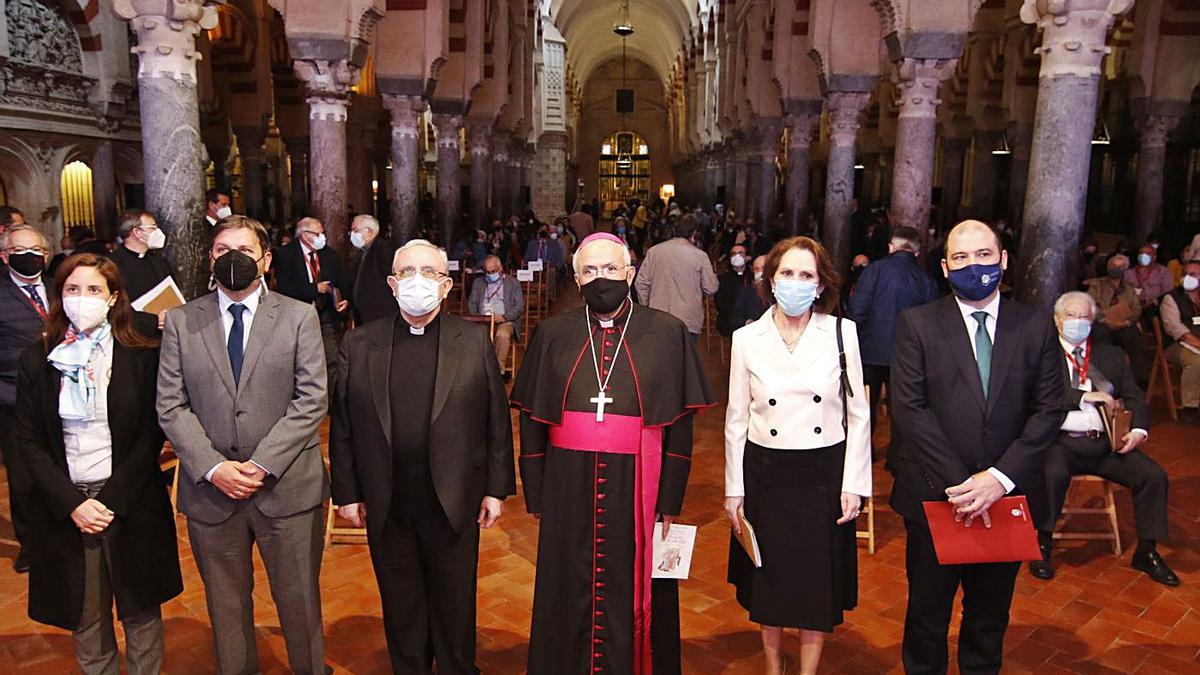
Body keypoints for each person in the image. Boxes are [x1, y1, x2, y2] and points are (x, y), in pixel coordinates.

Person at [512, 232, 714, 675]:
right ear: (576, 276)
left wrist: (670, 499)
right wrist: (538, 493)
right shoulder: (552, 334)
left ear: (630, 272)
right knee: (567, 582)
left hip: (638, 481)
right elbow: (531, 418)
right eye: (588, 271)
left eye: (608, 269)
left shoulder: (666, 332)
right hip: (568, 484)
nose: (599, 278)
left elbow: (680, 423)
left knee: (632, 584)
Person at [330, 239, 516, 674]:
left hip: (453, 497)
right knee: (400, 600)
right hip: (387, 498)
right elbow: (342, 426)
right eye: (408, 272)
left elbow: (497, 420)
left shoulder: (472, 341)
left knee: (454, 600)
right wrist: (346, 492)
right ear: (393, 285)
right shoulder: (359, 344)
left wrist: (496, 488)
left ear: (447, 285)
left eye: (430, 272)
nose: (419, 281)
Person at [157, 216, 331, 675]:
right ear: (210, 259)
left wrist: (260, 464)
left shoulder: (299, 316)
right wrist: (214, 467)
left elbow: (312, 398)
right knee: (225, 605)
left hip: (287, 487)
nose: (232, 258)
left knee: (300, 602)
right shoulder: (180, 321)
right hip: (211, 490)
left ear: (265, 259)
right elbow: (171, 406)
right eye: (221, 249)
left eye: (244, 249)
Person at [889, 220, 1063, 674]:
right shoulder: (918, 324)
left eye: (984, 255)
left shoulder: (1035, 324)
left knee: (989, 618)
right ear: (945, 267)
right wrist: (964, 484)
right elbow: (909, 410)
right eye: (961, 258)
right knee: (927, 617)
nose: (974, 266)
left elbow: (1049, 409)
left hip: (1007, 494)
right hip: (935, 494)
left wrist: (997, 480)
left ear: (1003, 260)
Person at [15, 253, 182, 674]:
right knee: (86, 612)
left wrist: (110, 498)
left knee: (141, 608)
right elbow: (29, 439)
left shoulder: (141, 354)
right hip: (68, 504)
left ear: (112, 298)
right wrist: (73, 503)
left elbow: (150, 432)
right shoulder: (38, 358)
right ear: (60, 296)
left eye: (93, 290)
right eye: (73, 289)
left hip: (128, 496)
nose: (82, 298)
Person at [724, 236, 872, 675]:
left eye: (806, 274)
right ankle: (774, 664)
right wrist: (734, 490)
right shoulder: (747, 338)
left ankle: (807, 670)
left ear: (821, 283)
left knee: (815, 582)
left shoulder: (843, 333)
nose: (795, 282)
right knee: (769, 578)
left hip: (822, 471)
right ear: (770, 280)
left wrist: (854, 484)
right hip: (766, 470)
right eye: (786, 273)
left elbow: (858, 415)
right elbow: (735, 420)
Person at [1029, 292, 1176, 585]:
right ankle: (1042, 544)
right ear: (1058, 320)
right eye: (1071, 316)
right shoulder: (1041, 354)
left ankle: (1146, 552)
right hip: (1060, 441)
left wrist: (1137, 432)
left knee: (1153, 475)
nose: (1078, 322)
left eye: (1084, 317)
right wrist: (1084, 395)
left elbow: (1135, 397)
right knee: (1052, 472)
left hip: (1104, 442)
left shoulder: (1110, 355)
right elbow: (1034, 396)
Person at [846, 226, 938, 453]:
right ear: (917, 252)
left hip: (870, 351)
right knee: (903, 408)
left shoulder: (874, 271)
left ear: (890, 247)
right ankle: (897, 456)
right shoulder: (926, 280)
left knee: (865, 406)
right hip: (907, 356)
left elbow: (858, 309)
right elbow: (931, 321)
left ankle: (864, 453)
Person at [0, 224, 54, 573]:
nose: (30, 256)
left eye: (36, 249)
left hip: (63, 397)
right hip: (14, 399)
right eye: (21, 250)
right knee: (22, 479)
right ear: (5, 256)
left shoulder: (59, 288)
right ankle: (32, 546)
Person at [274, 217, 350, 392]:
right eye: (318, 234)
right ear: (304, 235)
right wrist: (314, 288)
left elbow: (341, 280)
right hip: (298, 315)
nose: (322, 237)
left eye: (322, 233)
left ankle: (333, 401)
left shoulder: (329, 254)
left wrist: (344, 299)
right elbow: (284, 288)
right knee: (301, 360)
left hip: (326, 314)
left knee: (332, 358)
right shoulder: (286, 255)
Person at [633, 215, 720, 339]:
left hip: (658, 315)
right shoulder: (700, 256)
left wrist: (647, 305)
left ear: (674, 230)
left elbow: (640, 283)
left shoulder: (654, 252)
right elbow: (711, 288)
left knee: (661, 356)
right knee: (685, 357)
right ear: (694, 233)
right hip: (687, 318)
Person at [107, 209, 174, 333]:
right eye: (153, 228)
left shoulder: (159, 261)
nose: (158, 232)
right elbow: (113, 308)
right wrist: (154, 320)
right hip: (131, 335)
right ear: (137, 232)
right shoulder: (111, 264)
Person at [1085, 254, 1144, 375]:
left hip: (1124, 323)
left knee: (1133, 336)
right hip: (1103, 323)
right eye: (1113, 265)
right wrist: (1105, 320)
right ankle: (1101, 375)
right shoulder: (1097, 284)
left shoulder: (1129, 288)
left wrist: (1126, 322)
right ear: (1108, 267)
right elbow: (1089, 303)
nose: (1116, 268)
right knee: (1099, 334)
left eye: (1120, 266)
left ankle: (1137, 378)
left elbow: (1137, 309)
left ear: (1125, 269)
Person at [467, 255, 525, 374]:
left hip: (504, 319)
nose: (489, 275)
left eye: (493, 271)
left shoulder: (513, 283)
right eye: (487, 272)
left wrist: (504, 317)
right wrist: (478, 317)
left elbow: (519, 307)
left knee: (502, 335)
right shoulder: (478, 283)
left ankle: (498, 372)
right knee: (471, 336)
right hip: (482, 320)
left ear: (500, 269)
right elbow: (471, 304)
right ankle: (476, 371)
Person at [1160, 258, 1200, 423]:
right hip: (1177, 345)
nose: (1187, 277)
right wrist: (1197, 343)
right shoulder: (1171, 298)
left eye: (1193, 274)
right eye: (1185, 274)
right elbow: (1175, 329)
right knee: (1197, 361)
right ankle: (1191, 407)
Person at [348, 214, 398, 325]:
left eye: (355, 230)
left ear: (370, 232)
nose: (352, 235)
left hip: (381, 315)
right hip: (364, 315)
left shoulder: (383, 249)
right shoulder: (361, 252)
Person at [714, 244, 752, 337]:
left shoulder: (752, 276)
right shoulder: (723, 279)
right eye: (733, 254)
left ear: (747, 257)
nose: (736, 256)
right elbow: (720, 305)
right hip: (730, 320)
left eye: (740, 253)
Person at [1125, 244, 1173, 309]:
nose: (1144, 255)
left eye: (1148, 253)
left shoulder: (1163, 272)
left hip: (1156, 307)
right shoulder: (1128, 273)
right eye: (1141, 253)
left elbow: (1168, 292)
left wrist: (1155, 300)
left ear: (1154, 257)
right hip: (1133, 306)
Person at [731, 255, 768, 329]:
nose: (760, 272)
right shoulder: (745, 292)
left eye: (764, 268)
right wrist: (748, 322)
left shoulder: (780, 291)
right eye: (756, 269)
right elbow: (735, 319)